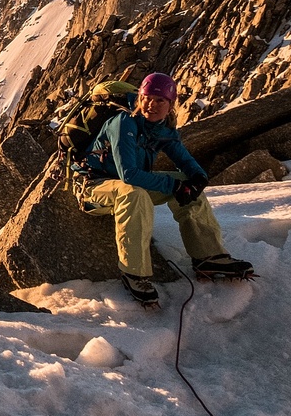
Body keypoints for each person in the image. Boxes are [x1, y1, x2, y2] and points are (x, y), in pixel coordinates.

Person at [80, 72, 254, 305]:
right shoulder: (124, 123)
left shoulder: (162, 129)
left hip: (124, 184)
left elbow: (183, 158)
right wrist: (175, 185)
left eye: (159, 100)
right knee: (134, 193)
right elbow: (129, 175)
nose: (151, 105)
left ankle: (209, 256)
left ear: (171, 105)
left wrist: (198, 177)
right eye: (146, 98)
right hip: (94, 186)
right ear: (139, 98)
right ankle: (134, 273)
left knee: (187, 185)